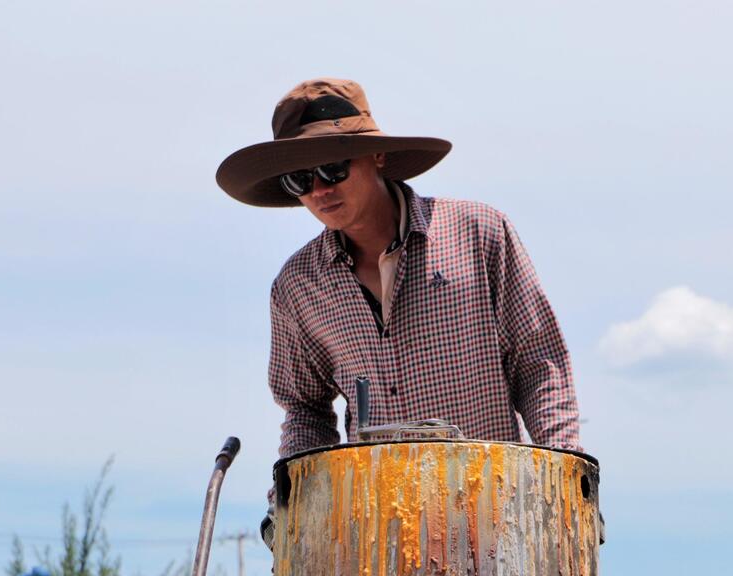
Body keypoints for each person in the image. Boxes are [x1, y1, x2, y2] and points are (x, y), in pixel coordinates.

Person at [216, 78, 582, 457]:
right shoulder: (298, 286)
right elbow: (305, 410)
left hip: (494, 501)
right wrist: (288, 498)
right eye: (300, 178)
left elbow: (539, 364)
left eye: (333, 168)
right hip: (374, 510)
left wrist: (565, 476)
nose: (320, 190)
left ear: (377, 156)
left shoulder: (479, 232)